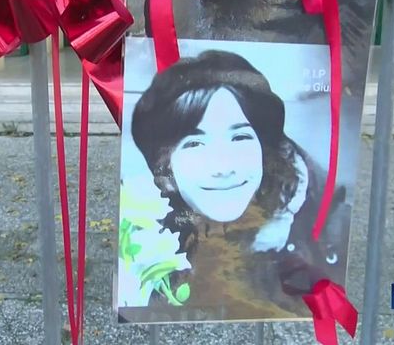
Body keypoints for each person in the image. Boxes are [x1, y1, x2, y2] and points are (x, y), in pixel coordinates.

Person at [130, 49, 350, 319]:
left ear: (265, 147)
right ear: (164, 163)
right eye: (194, 143)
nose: (223, 168)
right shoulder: (145, 232)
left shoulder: (329, 224)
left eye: (240, 138)